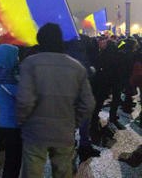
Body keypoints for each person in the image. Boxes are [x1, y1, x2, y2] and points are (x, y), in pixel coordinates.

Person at [16, 23, 95, 178]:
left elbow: (25, 100)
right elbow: (88, 103)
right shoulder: (76, 67)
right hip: (64, 131)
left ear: (40, 40)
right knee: (63, 173)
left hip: (35, 132)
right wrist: (74, 122)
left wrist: (22, 120)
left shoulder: (30, 63)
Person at [0, 44, 22, 178]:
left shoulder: (5, 72)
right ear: (7, 57)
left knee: (15, 159)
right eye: (15, 56)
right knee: (12, 159)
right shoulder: (5, 76)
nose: (17, 59)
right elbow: (22, 94)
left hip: (13, 121)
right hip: (11, 123)